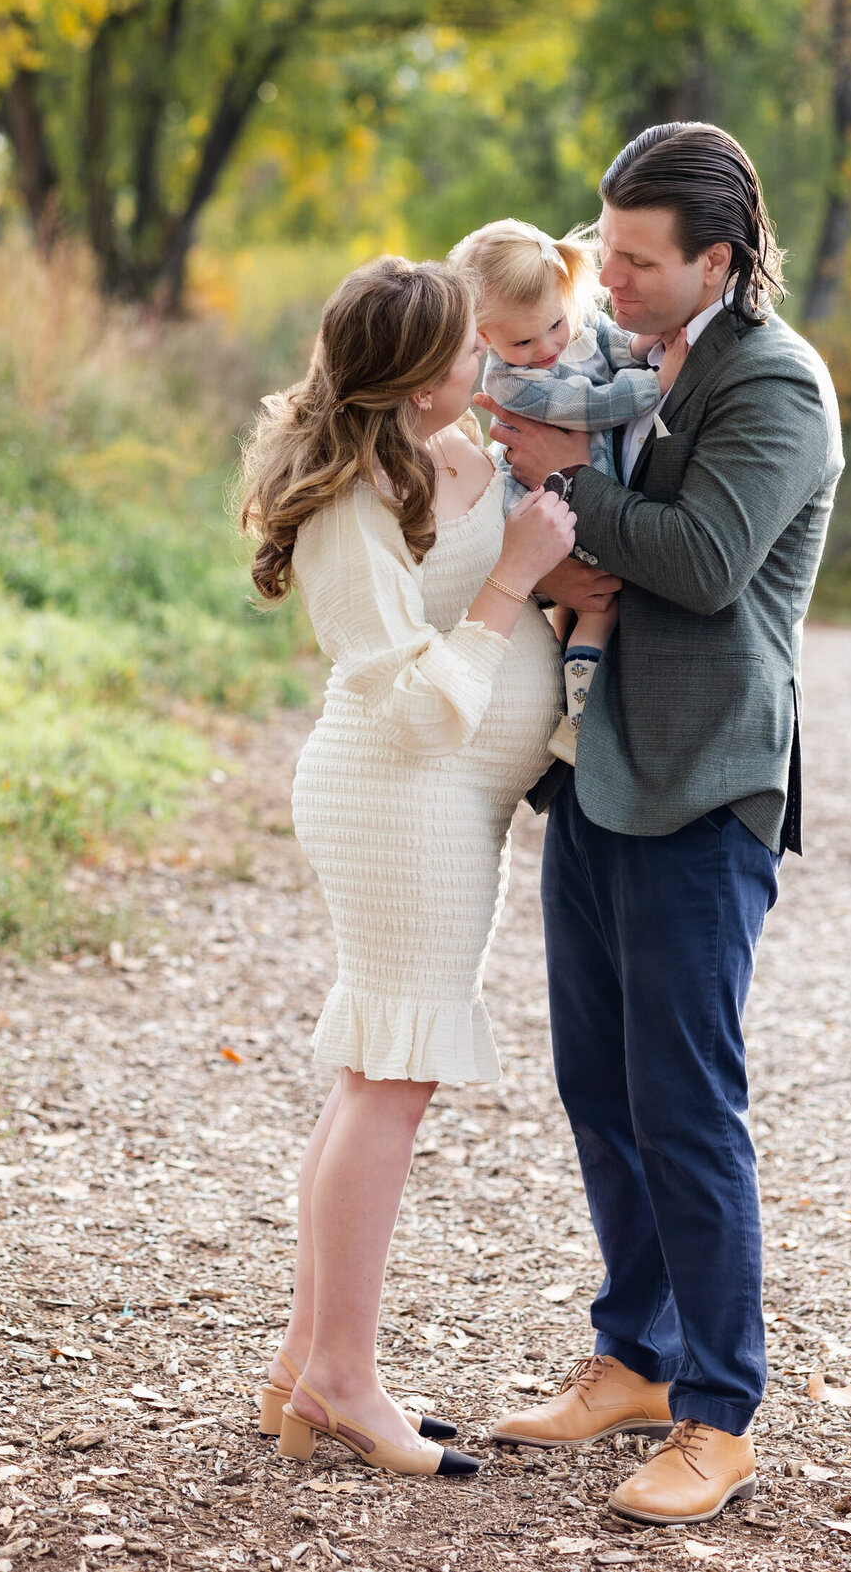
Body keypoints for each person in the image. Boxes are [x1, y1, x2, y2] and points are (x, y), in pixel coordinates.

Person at [478, 123, 844, 1527]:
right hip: (595, 770)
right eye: (606, 247)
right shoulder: (621, 356)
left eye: (637, 259)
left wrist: (567, 474)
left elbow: (700, 561)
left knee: (687, 1102)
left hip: (703, 780)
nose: (608, 276)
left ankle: (719, 1412)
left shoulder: (775, 382)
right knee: (600, 1085)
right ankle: (635, 1355)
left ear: (719, 260)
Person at [239, 255, 574, 1481]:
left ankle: (306, 1364)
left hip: (446, 804)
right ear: (422, 376)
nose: (488, 356)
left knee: (376, 1075)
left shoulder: (431, 446)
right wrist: (514, 577)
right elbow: (418, 708)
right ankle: (343, 1378)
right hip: (396, 797)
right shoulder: (348, 503)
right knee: (393, 1081)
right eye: (468, 346)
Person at [449, 217, 687, 765]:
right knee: (598, 605)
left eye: (555, 324)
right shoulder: (511, 380)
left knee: (591, 605)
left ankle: (569, 704)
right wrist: (656, 383)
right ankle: (579, 719)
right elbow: (588, 405)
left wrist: (648, 343)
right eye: (522, 341)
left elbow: (620, 349)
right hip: (547, 500)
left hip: (589, 485)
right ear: (484, 338)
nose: (548, 347)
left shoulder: (580, 322)